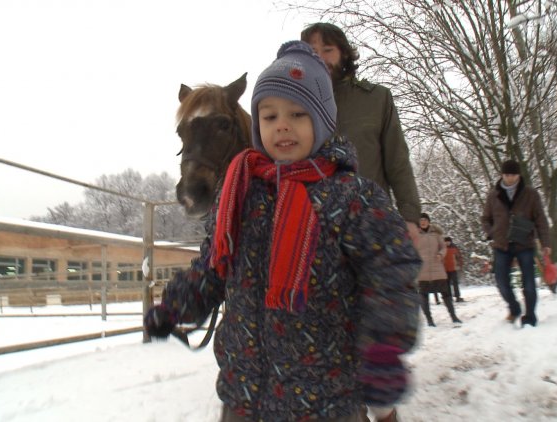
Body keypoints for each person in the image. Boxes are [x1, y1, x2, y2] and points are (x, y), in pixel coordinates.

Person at [144, 41, 421, 422]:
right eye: (270, 116)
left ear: (322, 122)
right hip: (244, 395)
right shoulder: (238, 194)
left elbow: (391, 275)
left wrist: (384, 348)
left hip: (325, 399)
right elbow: (213, 266)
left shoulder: (354, 197)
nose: (283, 125)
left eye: (298, 114)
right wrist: (175, 305)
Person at [301, 23, 421, 241]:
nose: (320, 58)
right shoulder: (293, 106)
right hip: (314, 229)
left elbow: (398, 162)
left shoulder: (377, 99)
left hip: (372, 223)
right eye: (312, 51)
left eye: (328, 50)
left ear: (344, 54)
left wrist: (410, 217)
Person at [481, 159, 551, 327]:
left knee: (528, 282)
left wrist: (545, 242)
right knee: (501, 282)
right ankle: (514, 308)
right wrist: (492, 232)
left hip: (524, 243)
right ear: (502, 175)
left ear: (518, 175)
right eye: (506, 174)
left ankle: (530, 316)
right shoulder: (493, 195)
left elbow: (540, 219)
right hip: (501, 245)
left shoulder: (530, 194)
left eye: (513, 175)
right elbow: (485, 219)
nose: (509, 178)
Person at [415, 213, 462, 327]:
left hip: (437, 268)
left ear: (429, 221)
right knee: (423, 295)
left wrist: (441, 255)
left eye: (425, 220)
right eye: (421, 220)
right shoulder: (415, 235)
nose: (423, 222)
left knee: (446, 293)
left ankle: (453, 316)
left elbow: (443, 247)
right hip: (423, 270)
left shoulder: (436, 234)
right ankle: (430, 320)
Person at [443, 236, 465, 302]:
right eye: (446, 242)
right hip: (445, 269)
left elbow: (459, 257)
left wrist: (460, 265)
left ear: (450, 241)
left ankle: (457, 296)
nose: (447, 243)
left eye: (448, 241)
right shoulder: (442, 249)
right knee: (447, 284)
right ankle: (449, 297)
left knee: (455, 283)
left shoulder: (454, 248)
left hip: (453, 268)